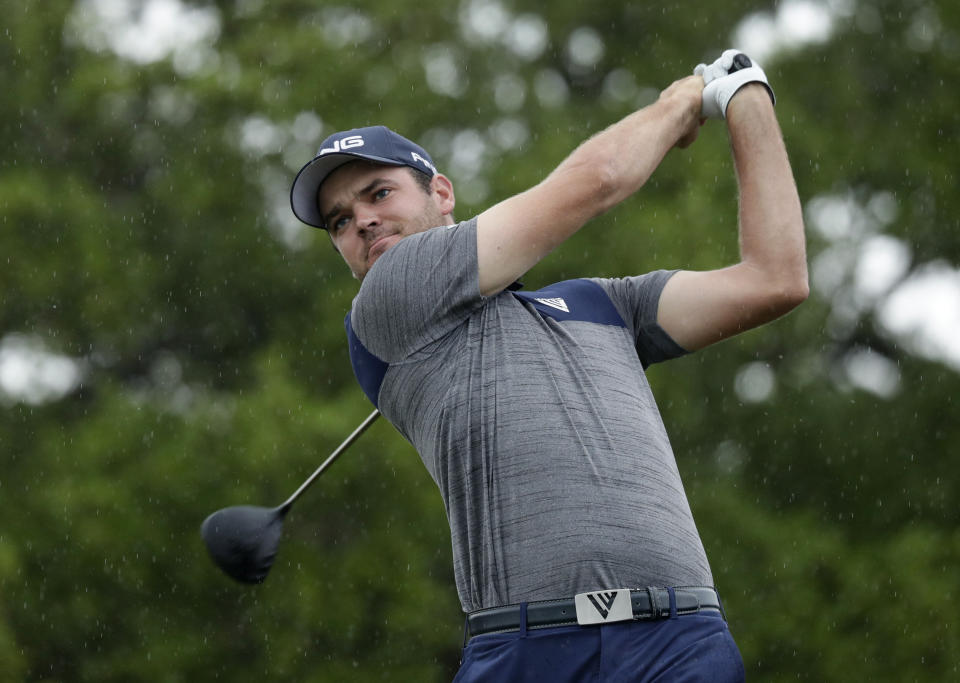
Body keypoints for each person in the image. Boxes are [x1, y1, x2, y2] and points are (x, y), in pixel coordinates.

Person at [289, 50, 807, 682]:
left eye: (379, 193)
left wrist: (746, 96)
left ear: (442, 193)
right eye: (340, 221)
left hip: (681, 638)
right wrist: (682, 103)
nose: (362, 220)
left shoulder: (601, 303)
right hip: (530, 650)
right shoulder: (388, 298)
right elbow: (599, 180)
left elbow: (775, 280)